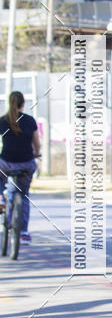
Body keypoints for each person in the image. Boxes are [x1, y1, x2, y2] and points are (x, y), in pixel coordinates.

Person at [0, 91, 41, 243]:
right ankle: (24, 233)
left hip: (5, 163)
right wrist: (37, 154)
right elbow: (37, 144)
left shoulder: (3, 120)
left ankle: (0, 199)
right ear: (23, 104)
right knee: (23, 195)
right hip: (26, 164)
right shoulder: (30, 120)